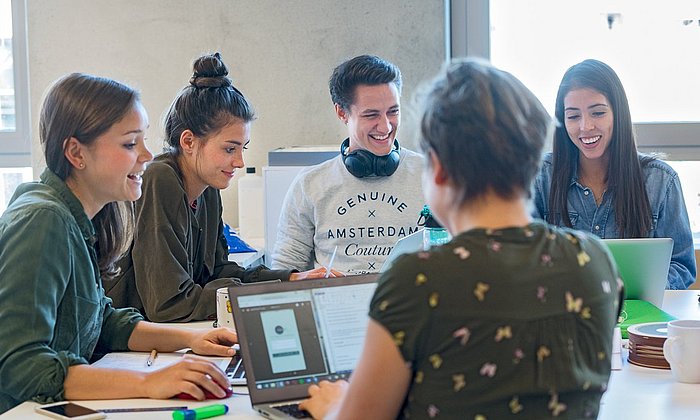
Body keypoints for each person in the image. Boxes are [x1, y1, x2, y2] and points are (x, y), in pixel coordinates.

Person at [299, 59, 622, 419]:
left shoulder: (417, 279)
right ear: (531, 157)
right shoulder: (593, 261)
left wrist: (333, 408)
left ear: (437, 169)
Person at [0, 73, 239, 413]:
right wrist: (149, 383)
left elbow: (103, 321)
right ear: (76, 153)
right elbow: (21, 367)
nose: (146, 155)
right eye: (130, 144)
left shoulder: (82, 218)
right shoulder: (42, 221)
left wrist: (191, 340)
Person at [104, 53, 333, 323]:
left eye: (242, 148)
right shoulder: (160, 179)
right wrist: (259, 294)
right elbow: (168, 304)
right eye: (229, 149)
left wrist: (289, 280)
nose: (239, 161)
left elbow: (218, 271)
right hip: (129, 346)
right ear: (188, 142)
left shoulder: (208, 187)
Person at [532, 59, 696, 290]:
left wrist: (644, 291)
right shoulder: (540, 178)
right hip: (567, 317)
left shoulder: (661, 181)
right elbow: (526, 261)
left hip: (638, 317)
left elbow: (681, 265)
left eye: (597, 113)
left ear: (618, 113)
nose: (585, 126)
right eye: (573, 116)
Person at [272, 55, 426, 275]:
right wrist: (297, 279)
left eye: (393, 111)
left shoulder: (431, 176)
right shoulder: (310, 185)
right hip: (336, 306)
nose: (385, 127)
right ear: (342, 112)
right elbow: (283, 269)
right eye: (371, 115)